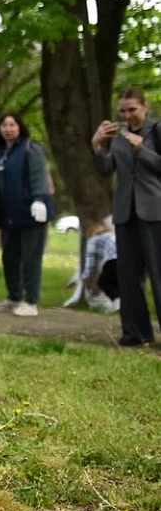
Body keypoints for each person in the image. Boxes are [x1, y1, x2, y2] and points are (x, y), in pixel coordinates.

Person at [92, 87, 161, 346]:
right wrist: (97, 145)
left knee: (158, 273)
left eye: (132, 109)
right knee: (129, 276)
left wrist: (143, 150)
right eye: (122, 111)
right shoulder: (119, 135)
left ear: (145, 106)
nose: (127, 115)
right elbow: (106, 169)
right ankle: (135, 332)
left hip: (154, 212)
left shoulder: (156, 130)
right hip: (125, 211)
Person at [0, 114, 53, 317]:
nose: (8, 129)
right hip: (8, 215)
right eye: (4, 125)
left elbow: (38, 175)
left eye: (12, 125)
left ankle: (31, 301)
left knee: (31, 257)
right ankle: (14, 297)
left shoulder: (31, 148)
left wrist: (39, 199)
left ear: (20, 127)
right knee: (10, 257)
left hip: (32, 213)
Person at [82, 219, 119, 313]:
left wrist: (87, 277)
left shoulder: (93, 239)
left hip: (114, 259)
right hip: (128, 259)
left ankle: (117, 302)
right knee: (118, 283)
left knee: (103, 282)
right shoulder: (112, 234)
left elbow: (90, 262)